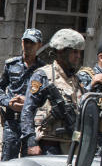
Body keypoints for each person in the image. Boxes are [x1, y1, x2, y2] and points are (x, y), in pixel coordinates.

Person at [20, 28, 88, 156]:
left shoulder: (77, 80)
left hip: (72, 144)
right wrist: (31, 142)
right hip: (49, 145)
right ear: (61, 52)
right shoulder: (43, 75)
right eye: (74, 52)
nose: (78, 56)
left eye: (79, 52)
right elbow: (27, 110)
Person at [0, 28, 44, 160]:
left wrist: (28, 102)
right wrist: (8, 102)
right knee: (7, 161)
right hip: (11, 122)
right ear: (22, 42)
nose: (27, 46)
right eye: (25, 42)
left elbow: (45, 99)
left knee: (29, 162)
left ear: (39, 45)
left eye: (32, 43)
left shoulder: (43, 70)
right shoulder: (11, 65)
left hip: (31, 124)